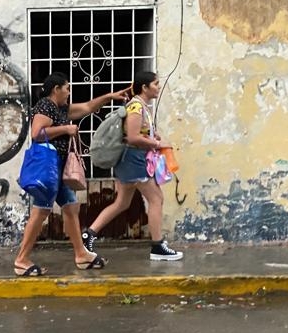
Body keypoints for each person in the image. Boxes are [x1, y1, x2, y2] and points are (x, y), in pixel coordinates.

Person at [13, 73, 129, 276]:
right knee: (41, 211)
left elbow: (87, 107)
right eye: (66, 88)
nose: (69, 92)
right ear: (56, 89)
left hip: (59, 167)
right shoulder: (45, 106)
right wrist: (65, 129)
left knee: (71, 206)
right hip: (48, 167)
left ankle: (81, 255)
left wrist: (110, 96)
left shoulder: (61, 109)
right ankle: (21, 260)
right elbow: (37, 133)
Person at [81, 70, 184, 261]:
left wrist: (152, 137)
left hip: (130, 160)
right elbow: (133, 137)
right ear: (144, 87)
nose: (158, 87)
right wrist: (155, 144)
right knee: (156, 199)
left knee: (122, 203)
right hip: (134, 160)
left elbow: (138, 134)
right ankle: (157, 246)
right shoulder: (136, 107)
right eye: (155, 84)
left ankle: (89, 234)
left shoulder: (141, 106)